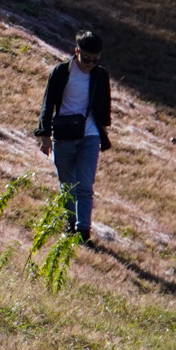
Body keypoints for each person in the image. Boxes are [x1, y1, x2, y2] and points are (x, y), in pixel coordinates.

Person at [34, 29, 112, 242]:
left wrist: (102, 130)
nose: (90, 63)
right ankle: (70, 226)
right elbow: (47, 105)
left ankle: (83, 232)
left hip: (90, 135)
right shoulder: (60, 72)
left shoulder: (100, 75)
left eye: (95, 60)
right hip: (63, 136)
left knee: (85, 185)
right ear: (76, 52)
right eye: (86, 58)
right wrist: (45, 135)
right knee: (67, 185)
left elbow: (104, 108)